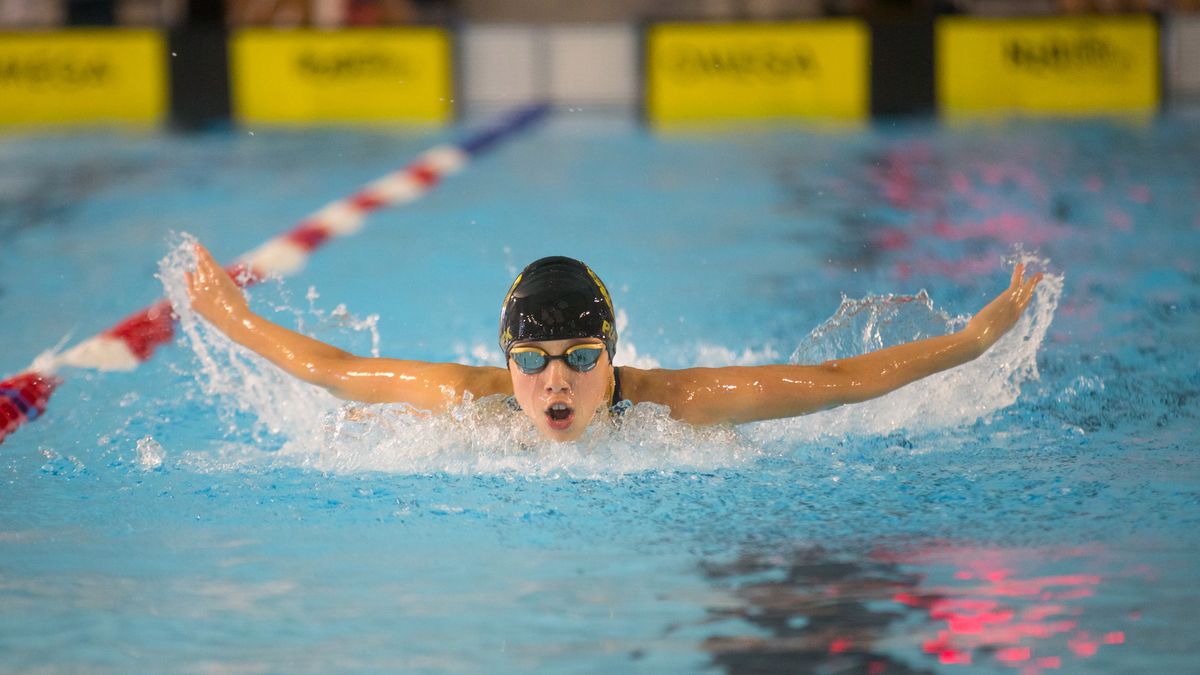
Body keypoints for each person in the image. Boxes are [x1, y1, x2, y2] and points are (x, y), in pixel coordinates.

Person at [186, 243, 1042, 442]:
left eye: (581, 358)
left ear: (612, 355)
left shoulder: (677, 405)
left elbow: (834, 379)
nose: (557, 382)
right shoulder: (467, 400)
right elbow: (334, 371)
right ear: (505, 360)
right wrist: (230, 316)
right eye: (534, 361)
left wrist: (972, 339)